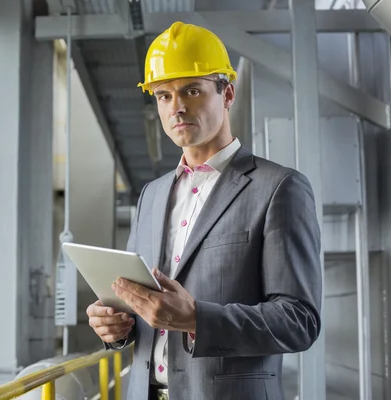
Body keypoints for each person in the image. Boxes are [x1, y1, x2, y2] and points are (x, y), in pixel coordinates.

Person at [86, 21, 322, 400]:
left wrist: (196, 318)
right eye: (163, 95)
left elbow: (299, 321)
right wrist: (117, 326)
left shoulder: (279, 188)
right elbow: (146, 315)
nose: (177, 107)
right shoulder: (151, 195)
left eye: (192, 91)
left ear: (227, 93)